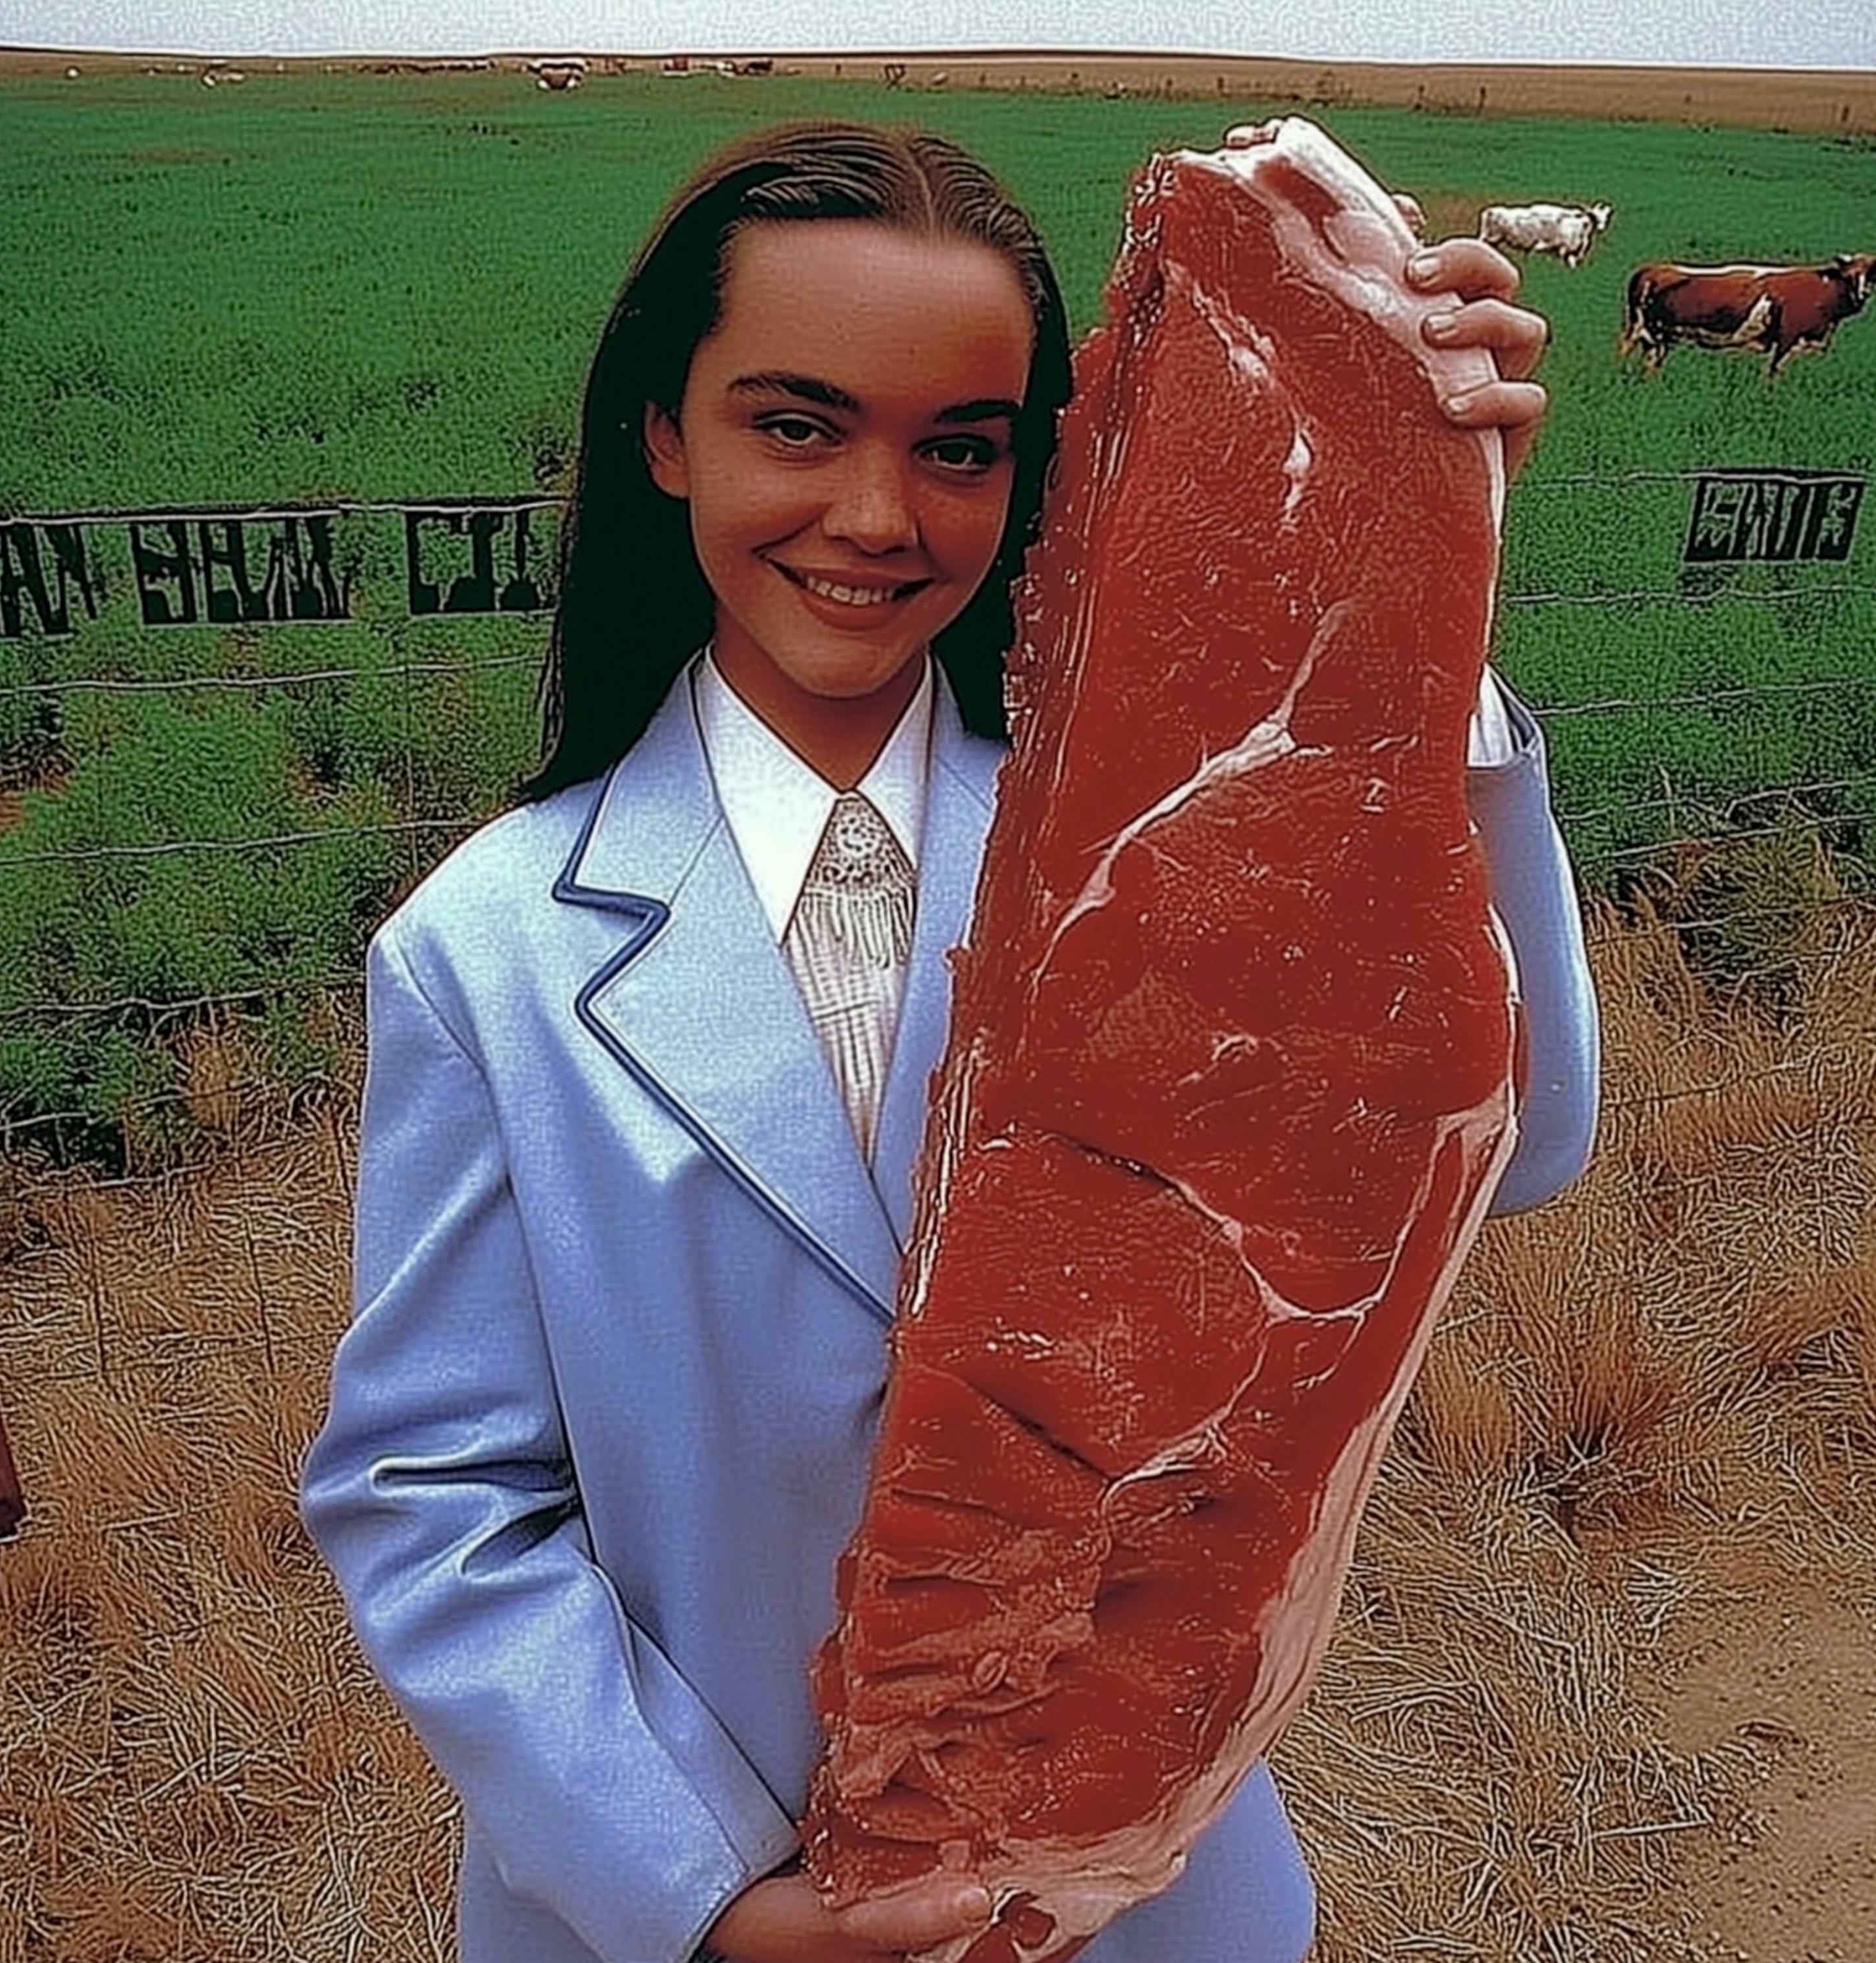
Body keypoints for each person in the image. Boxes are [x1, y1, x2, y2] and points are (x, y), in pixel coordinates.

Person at [301, 119, 1601, 1963]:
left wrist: (1399, 594)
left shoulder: (1151, 832)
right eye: (796, 426)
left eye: (962, 448)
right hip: (701, 1888)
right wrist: (711, 1902)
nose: (876, 516)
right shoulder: (489, 949)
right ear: (663, 436)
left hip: (1132, 1873)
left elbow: (1519, 1146)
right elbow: (435, 1495)